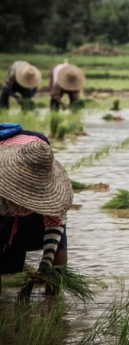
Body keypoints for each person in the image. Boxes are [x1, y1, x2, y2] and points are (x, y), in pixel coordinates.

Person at [0, 124, 73, 294]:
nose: (26, 208)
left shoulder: (56, 195)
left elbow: (56, 225)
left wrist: (44, 266)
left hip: (36, 151)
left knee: (59, 243)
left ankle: (54, 294)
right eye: (23, 202)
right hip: (11, 155)